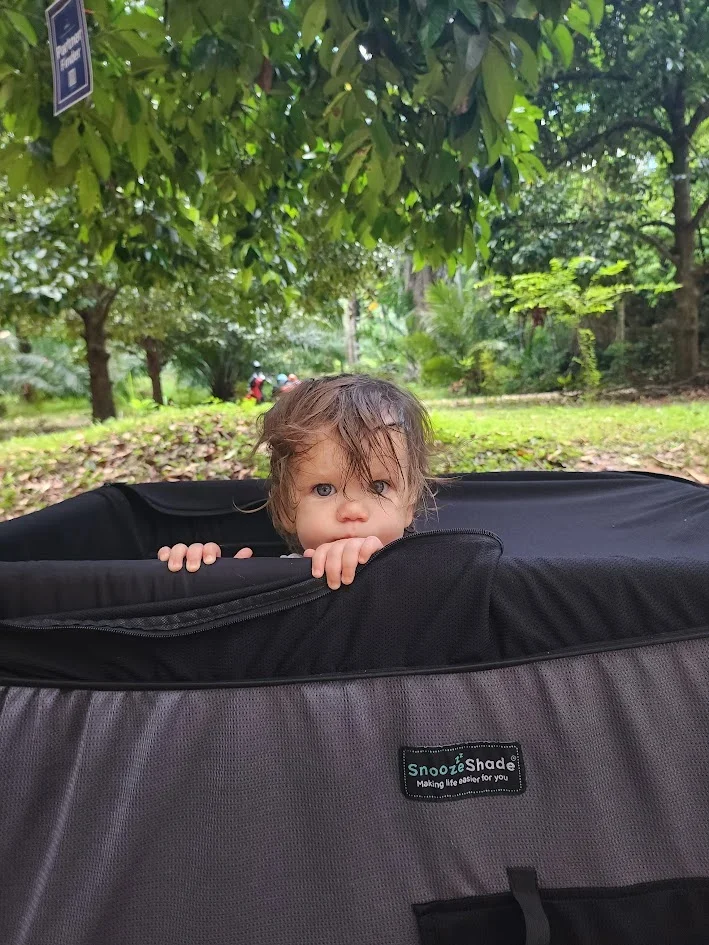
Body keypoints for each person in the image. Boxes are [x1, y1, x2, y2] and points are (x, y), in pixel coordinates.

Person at [159, 374, 435, 590]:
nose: (352, 511)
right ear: (287, 508)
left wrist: (380, 566)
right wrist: (210, 574)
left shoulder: (427, 576)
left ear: (409, 503)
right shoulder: (271, 579)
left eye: (378, 487)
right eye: (324, 489)